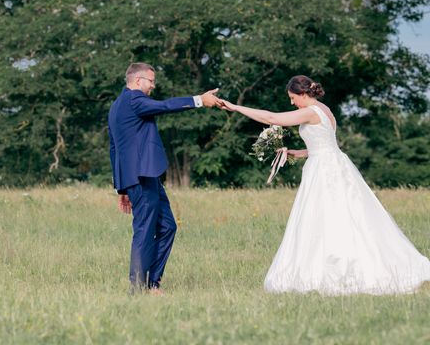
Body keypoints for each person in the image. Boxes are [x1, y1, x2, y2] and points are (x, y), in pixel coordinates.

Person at [217, 75, 430, 295]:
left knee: (326, 217)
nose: (292, 102)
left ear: (302, 93)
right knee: (344, 217)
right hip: (333, 163)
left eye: (292, 97)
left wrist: (235, 107)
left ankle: (336, 271)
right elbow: (325, 146)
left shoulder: (310, 111)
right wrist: (297, 153)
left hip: (325, 171)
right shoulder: (324, 109)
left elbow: (273, 117)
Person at [108, 62, 220, 293]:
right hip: (140, 177)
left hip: (145, 176)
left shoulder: (116, 106)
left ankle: (152, 282)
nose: (153, 86)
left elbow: (114, 149)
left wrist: (121, 188)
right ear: (138, 81)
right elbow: (166, 105)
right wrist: (199, 100)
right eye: (151, 81)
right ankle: (138, 287)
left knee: (168, 226)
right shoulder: (134, 100)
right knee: (145, 230)